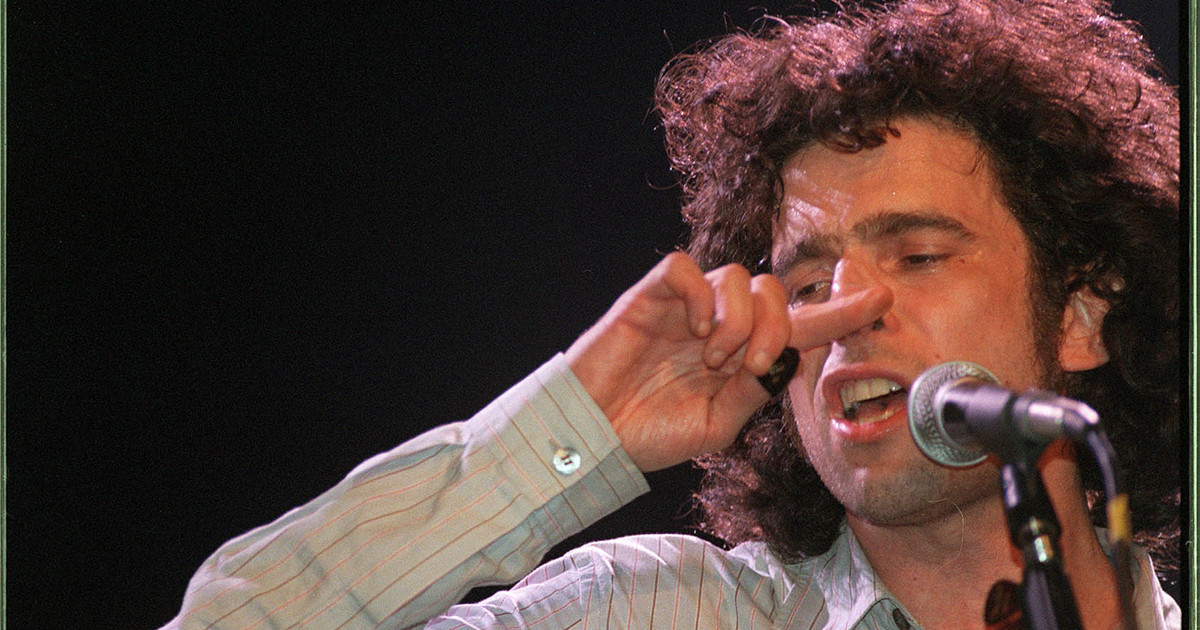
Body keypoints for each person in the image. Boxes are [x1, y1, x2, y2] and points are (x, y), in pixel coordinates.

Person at [163, 0, 1181, 628]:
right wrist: (575, 427)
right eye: (806, 284)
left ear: (1085, 309)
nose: (847, 312)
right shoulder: (658, 614)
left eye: (917, 255)